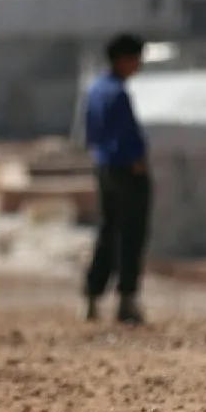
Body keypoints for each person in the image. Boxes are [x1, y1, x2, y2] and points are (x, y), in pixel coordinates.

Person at [82, 32, 151, 327]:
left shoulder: (95, 89)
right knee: (131, 233)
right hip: (125, 169)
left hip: (104, 168)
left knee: (108, 231)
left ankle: (92, 296)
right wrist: (137, 162)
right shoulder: (117, 93)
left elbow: (91, 134)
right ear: (123, 59)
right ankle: (126, 300)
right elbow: (128, 137)